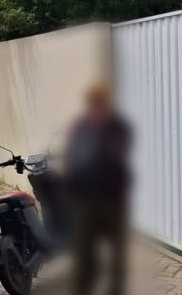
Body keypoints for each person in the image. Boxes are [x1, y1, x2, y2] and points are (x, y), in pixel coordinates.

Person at [65, 81, 132, 295]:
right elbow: (73, 158)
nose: (97, 106)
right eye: (94, 102)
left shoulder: (118, 127)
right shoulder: (81, 127)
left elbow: (115, 156)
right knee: (84, 255)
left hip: (112, 200)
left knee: (117, 254)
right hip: (84, 200)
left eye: (101, 102)